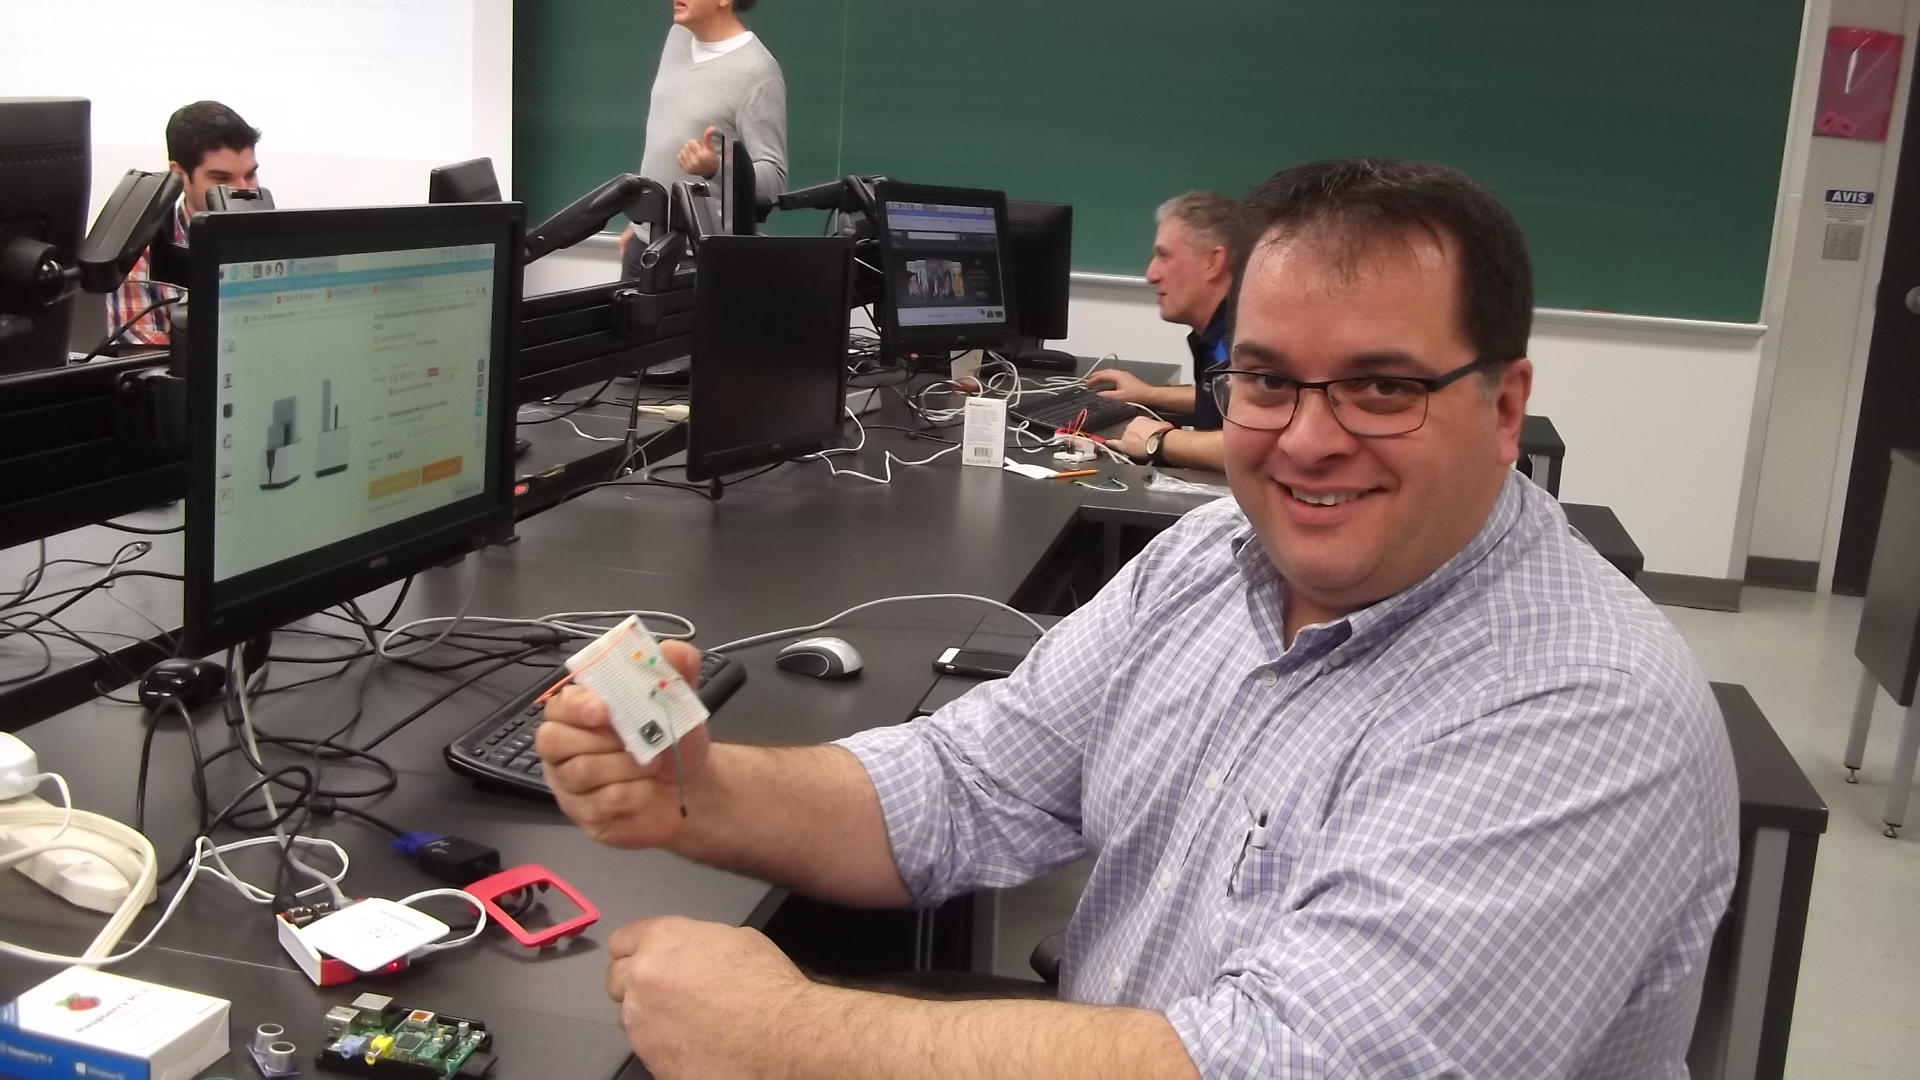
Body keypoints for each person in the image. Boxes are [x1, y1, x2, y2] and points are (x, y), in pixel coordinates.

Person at [538, 157, 1740, 1079]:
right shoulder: (1219, 556)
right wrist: (701, 790)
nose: (1310, 440)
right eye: (1267, 381)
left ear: (1502, 403)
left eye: (1383, 386)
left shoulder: (1581, 710)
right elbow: (970, 784)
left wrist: (787, 1035)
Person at [619, 0, 788, 279]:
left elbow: (775, 182)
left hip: (697, 261)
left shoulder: (758, 72)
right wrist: (642, 223)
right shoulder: (678, 37)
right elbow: (666, 134)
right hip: (645, 244)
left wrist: (717, 168)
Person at [1085, 190, 1242, 471]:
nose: (1151, 275)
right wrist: (1150, 394)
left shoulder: (1243, 341)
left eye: (1164, 255)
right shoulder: (1222, 330)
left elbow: (1261, 447)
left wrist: (1159, 440)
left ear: (1212, 262)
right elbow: (1225, 400)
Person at [104, 101, 261, 351]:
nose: (244, 190)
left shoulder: (276, 241)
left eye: (250, 174)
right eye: (221, 179)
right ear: (179, 174)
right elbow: (149, 374)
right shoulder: (144, 256)